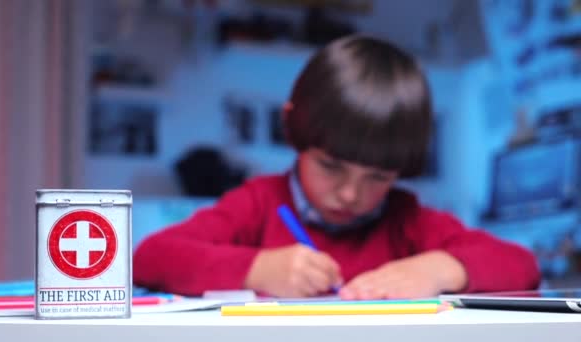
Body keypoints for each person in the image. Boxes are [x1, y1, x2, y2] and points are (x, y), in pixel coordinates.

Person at [133, 35, 540, 299]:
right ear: (292, 129)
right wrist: (255, 269)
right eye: (330, 166)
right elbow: (151, 257)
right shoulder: (258, 204)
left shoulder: (408, 220)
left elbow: (523, 267)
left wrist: (444, 268)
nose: (350, 194)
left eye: (378, 177)